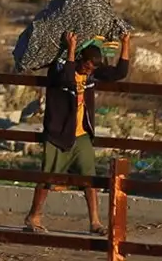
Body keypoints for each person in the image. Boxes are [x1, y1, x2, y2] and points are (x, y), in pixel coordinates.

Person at [26, 29, 131, 233]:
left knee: (89, 178)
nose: (88, 71)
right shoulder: (58, 70)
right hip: (58, 134)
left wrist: (125, 43)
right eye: (86, 66)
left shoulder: (91, 74)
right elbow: (67, 79)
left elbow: (120, 73)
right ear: (80, 58)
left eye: (92, 69)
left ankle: (95, 222)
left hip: (81, 134)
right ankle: (33, 216)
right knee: (48, 177)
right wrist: (71, 49)